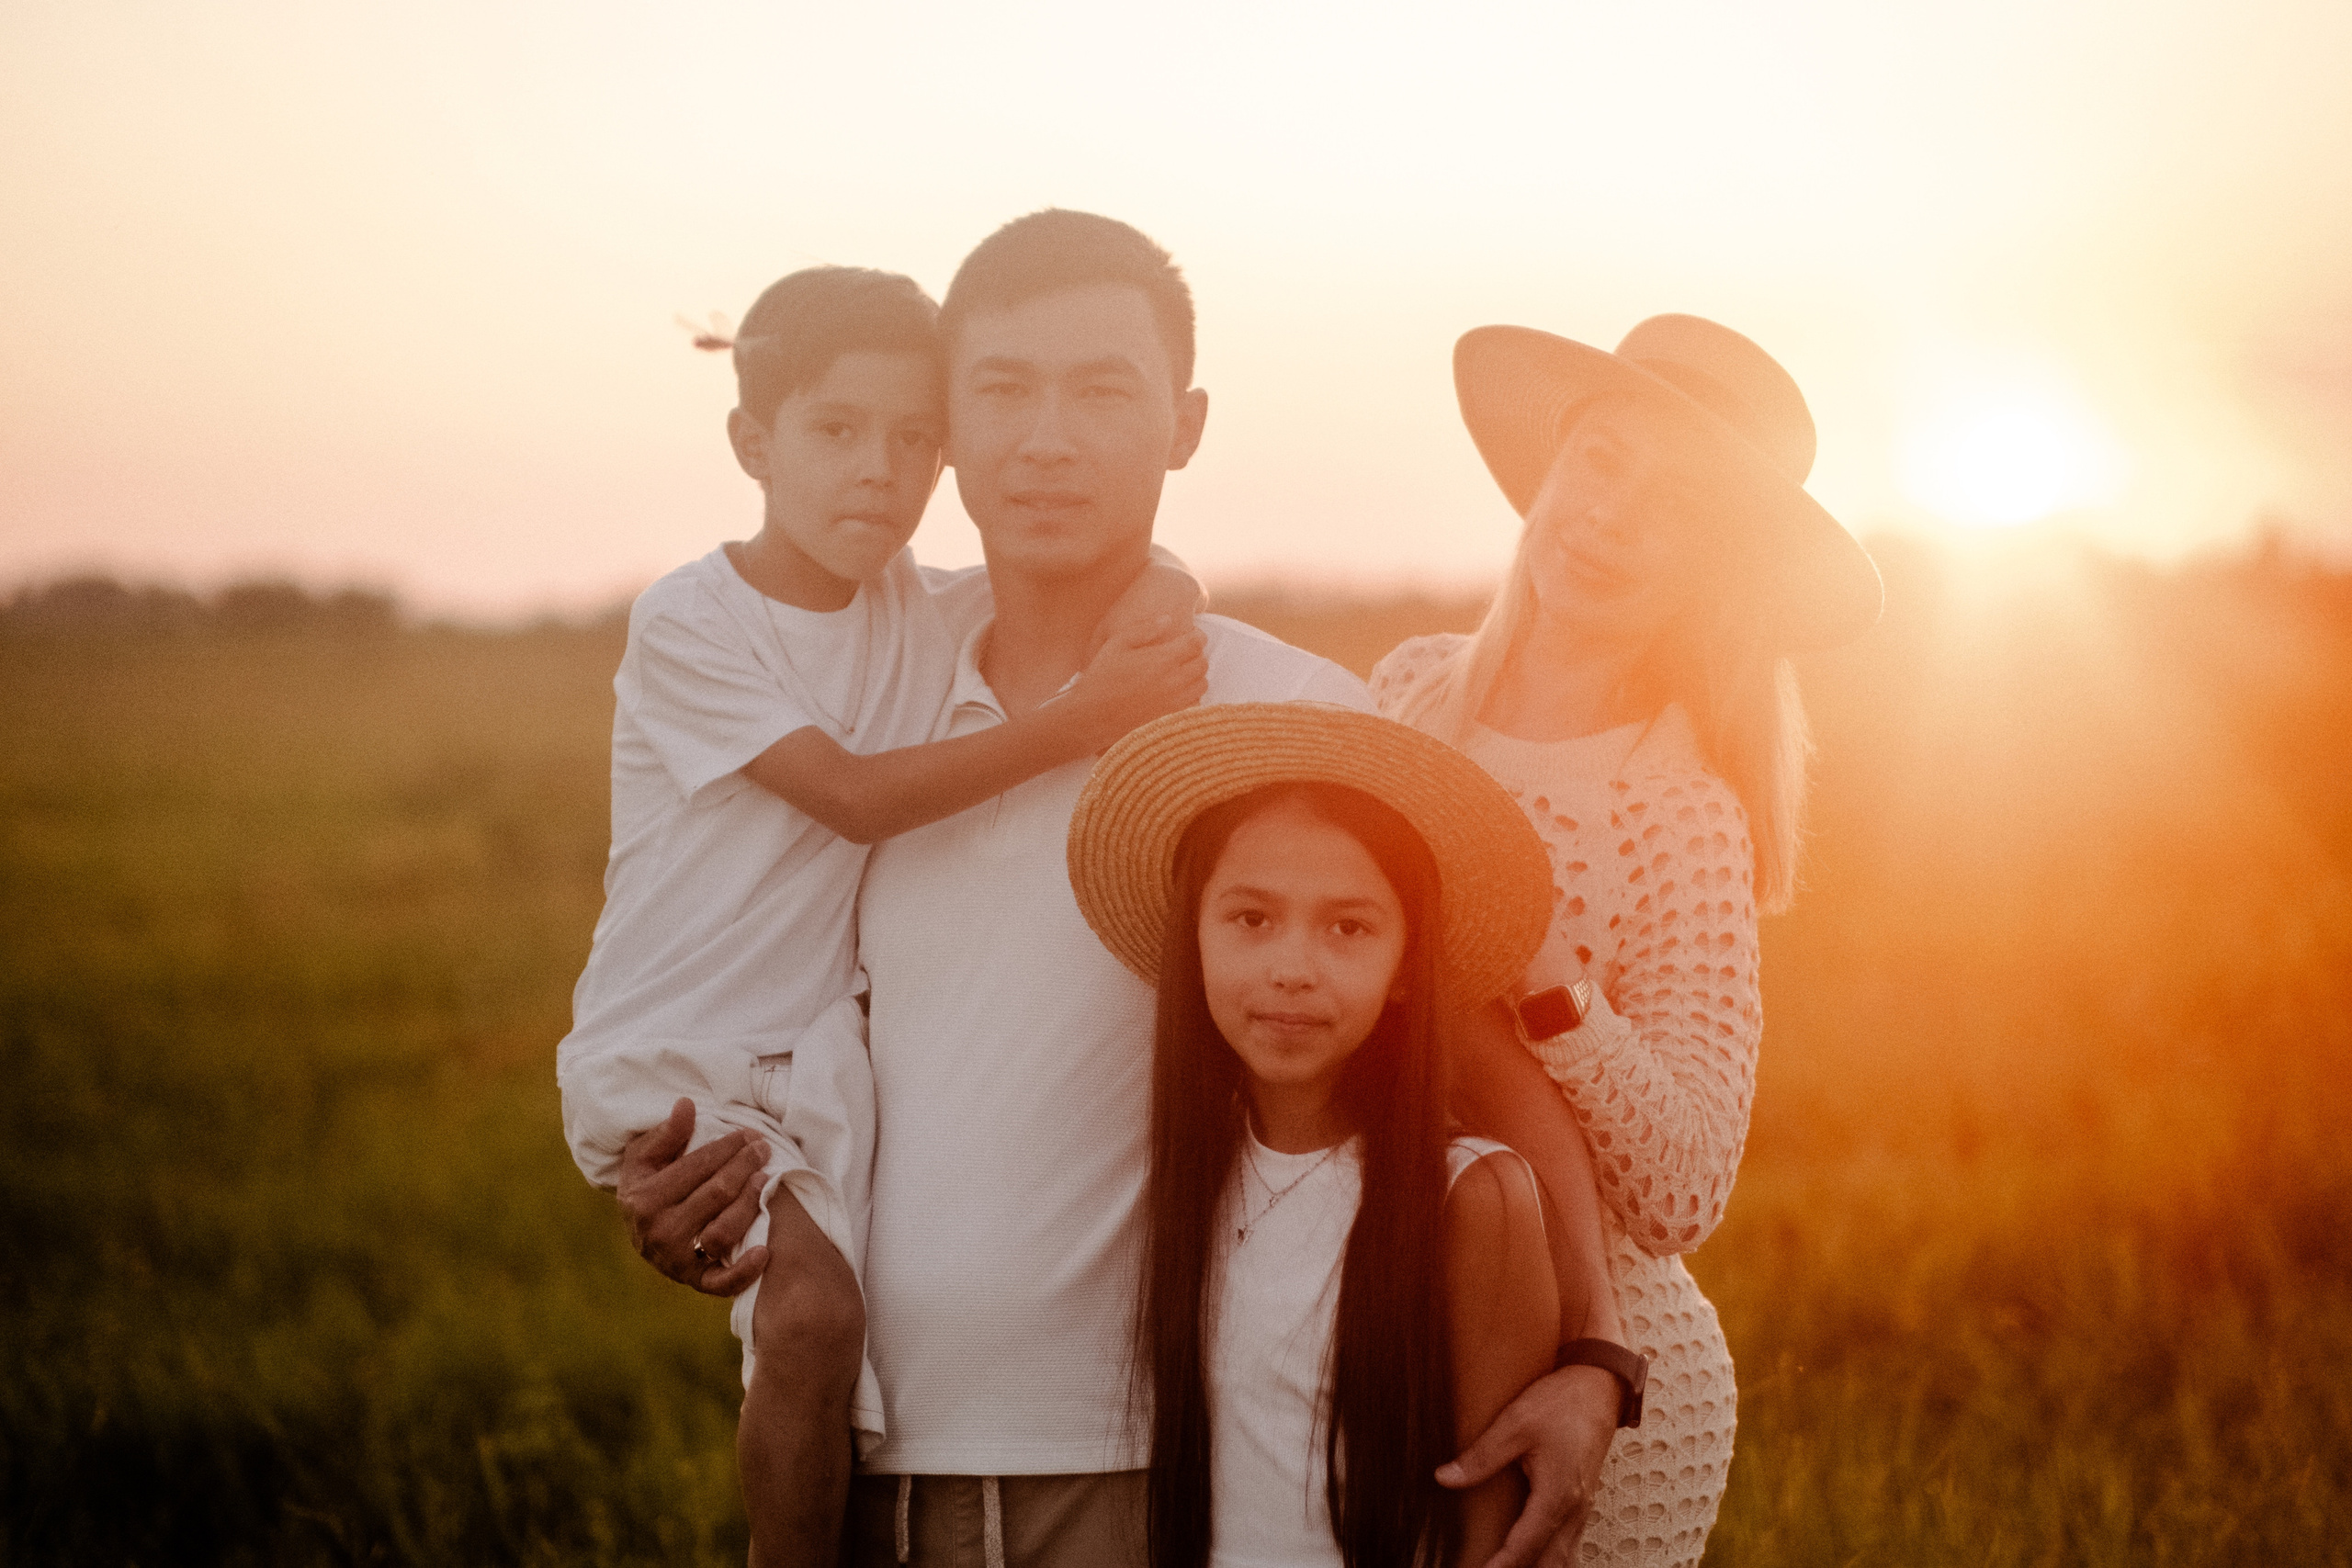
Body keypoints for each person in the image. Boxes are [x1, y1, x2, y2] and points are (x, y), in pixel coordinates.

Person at [616, 211, 1633, 1568]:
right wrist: (671, 1169)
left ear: (1186, 421)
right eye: (1001, 389)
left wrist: (1598, 1354)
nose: (1046, 438)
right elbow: (714, 934)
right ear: (950, 428)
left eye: (1103, 389)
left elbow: (1481, 1057)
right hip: (851, 1454)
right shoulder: (863, 680)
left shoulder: (1284, 717)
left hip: (1155, 1474)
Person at [555, 264, 1207, 1567]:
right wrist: (1079, 720)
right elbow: (853, 797)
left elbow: (1144, 567)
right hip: (685, 1044)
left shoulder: (913, 601)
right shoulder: (696, 617)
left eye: (916, 438)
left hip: (811, 1053)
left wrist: (1167, 608)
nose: (881, 471)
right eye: (838, 431)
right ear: (753, 442)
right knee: (808, 1317)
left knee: (829, 1323)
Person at [1372, 316, 1883, 1567]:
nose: (1611, 518)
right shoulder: (1401, 697)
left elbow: (1684, 1185)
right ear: (1550, 467)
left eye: (1678, 508)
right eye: (1602, 461)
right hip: (1375, 1314)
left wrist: (1552, 985)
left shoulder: (1677, 812)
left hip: (1597, 1372)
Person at [1063, 701, 1566, 1568]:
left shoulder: (1472, 1199)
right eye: (1251, 918)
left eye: (1349, 926)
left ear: (1407, 962)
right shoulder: (1182, 1173)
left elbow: (1490, 1537)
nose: (1292, 967)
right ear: (1195, 936)